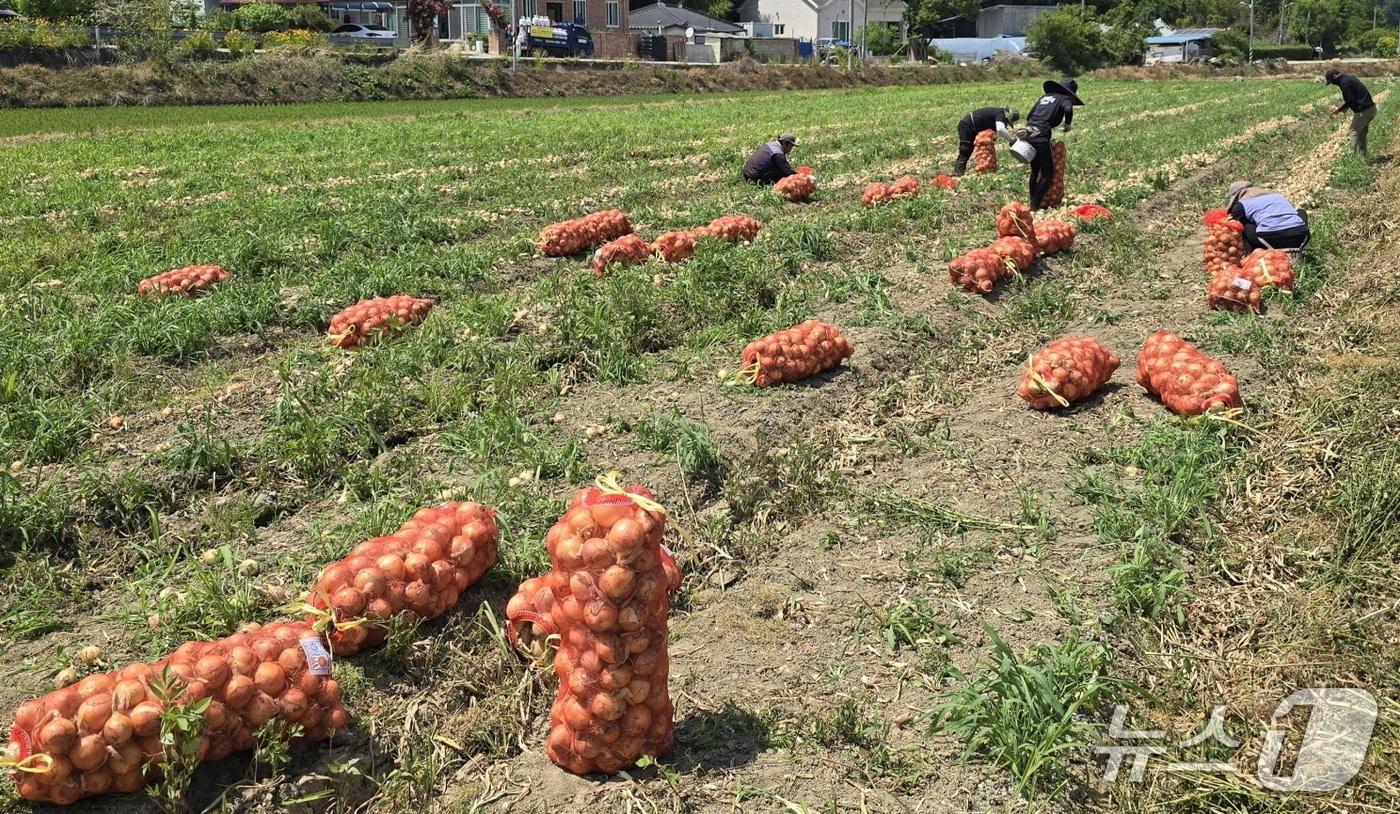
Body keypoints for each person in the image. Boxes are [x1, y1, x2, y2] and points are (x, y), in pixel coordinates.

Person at [1021, 77, 1082, 211]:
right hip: (1040, 136)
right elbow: (1068, 109)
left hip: (1028, 133)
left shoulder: (1045, 97)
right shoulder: (1065, 99)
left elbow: (1029, 116)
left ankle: (1032, 201)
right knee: (1047, 173)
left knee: (1035, 170)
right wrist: (1067, 125)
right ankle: (1034, 207)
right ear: (1070, 93)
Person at [1226, 181, 1310, 251]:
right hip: (1300, 236)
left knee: (1242, 222)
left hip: (1271, 238)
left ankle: (1251, 252)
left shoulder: (1242, 204)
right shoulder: (1278, 196)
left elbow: (1230, 220)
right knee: (1300, 212)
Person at [952, 107, 1020, 176]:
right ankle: (957, 173)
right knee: (966, 149)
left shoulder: (998, 114)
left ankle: (965, 171)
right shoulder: (1000, 114)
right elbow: (1000, 129)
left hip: (972, 126)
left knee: (971, 149)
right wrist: (1012, 140)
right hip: (967, 125)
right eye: (1007, 121)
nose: (1006, 123)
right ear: (1008, 116)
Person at [1324, 69, 1377, 155]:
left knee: (1353, 132)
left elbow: (1351, 100)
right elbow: (1352, 99)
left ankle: (1351, 157)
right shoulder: (1348, 78)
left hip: (1364, 111)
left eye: (1332, 81)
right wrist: (1342, 109)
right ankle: (1363, 156)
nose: (1333, 83)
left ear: (1335, 76)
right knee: (1361, 132)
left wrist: (1339, 110)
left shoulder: (1344, 83)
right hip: (1371, 109)